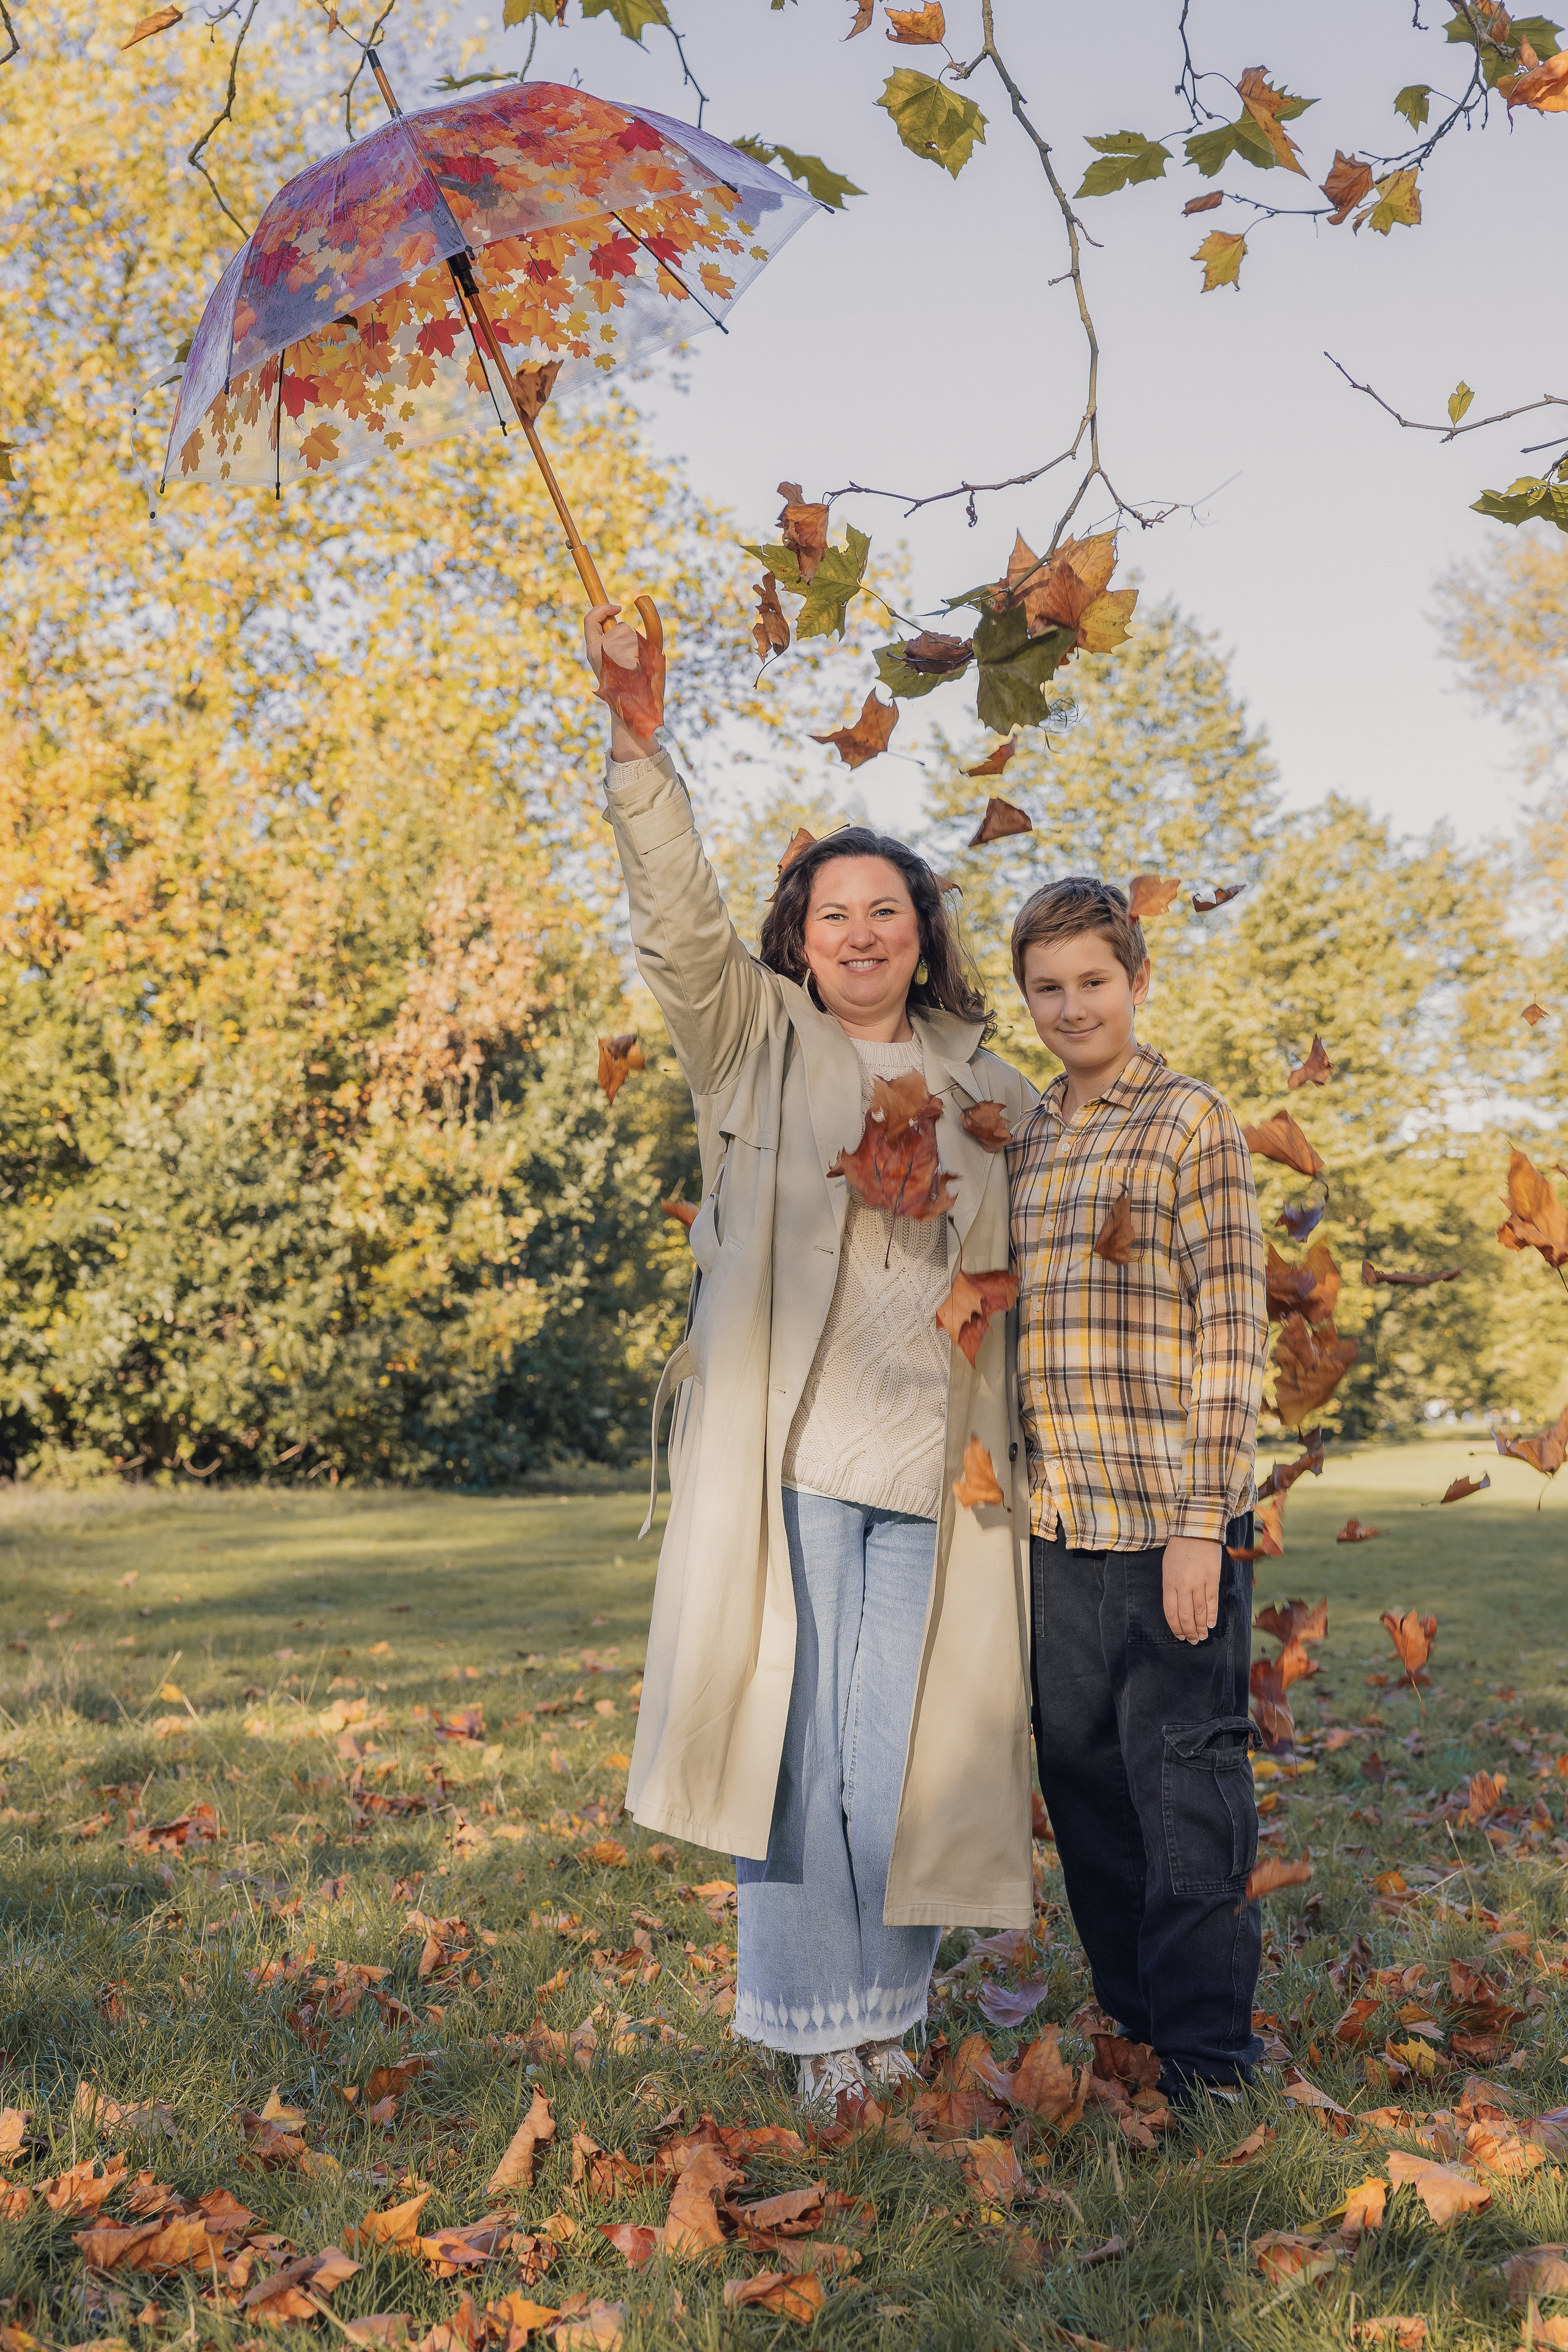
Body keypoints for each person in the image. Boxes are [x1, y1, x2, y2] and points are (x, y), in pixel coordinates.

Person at [584, 604, 1036, 2110]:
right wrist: (638, 745)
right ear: (799, 936)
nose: (858, 932)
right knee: (797, 1757)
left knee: (903, 1755)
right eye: (831, 912)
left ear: (920, 934)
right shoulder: (754, 1041)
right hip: (789, 1460)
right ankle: (808, 2029)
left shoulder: (986, 1083)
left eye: (884, 911)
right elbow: (676, 924)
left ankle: (882, 2015)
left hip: (936, 1475)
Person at [1005, 876, 1267, 2100]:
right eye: (1047, 988)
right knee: (1086, 1789)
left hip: (1169, 1526)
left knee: (1186, 1795)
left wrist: (1200, 1526)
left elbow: (1233, 1330)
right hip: (1057, 1530)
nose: (1072, 1008)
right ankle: (1139, 2026)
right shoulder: (1022, 1139)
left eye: (1093, 982)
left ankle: (1210, 2062)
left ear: (1138, 982)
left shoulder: (1189, 1121)